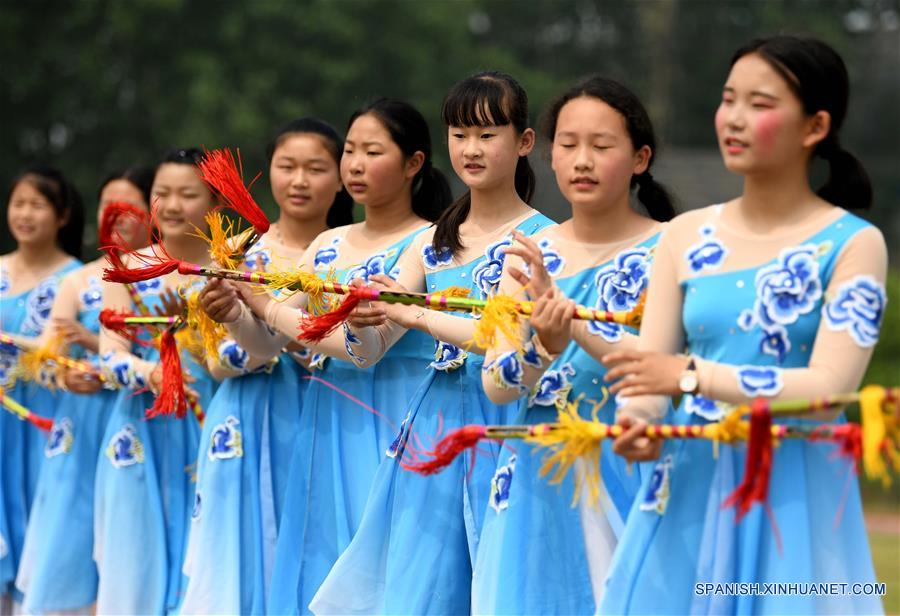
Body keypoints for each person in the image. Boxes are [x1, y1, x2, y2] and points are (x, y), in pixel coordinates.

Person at [600, 36, 887, 615]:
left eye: (759, 104)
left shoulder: (855, 244)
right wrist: (638, 424)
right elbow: (648, 378)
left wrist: (690, 377)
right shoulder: (684, 235)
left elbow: (829, 390)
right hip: (685, 487)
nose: (733, 118)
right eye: (729, 99)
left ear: (816, 126)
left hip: (792, 496)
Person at [309, 71, 555, 615]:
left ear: (524, 141)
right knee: (422, 586)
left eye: (487, 135)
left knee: (500, 583)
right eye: (459, 134)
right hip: (432, 429)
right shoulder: (431, 242)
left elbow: (500, 336)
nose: (471, 149)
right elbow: (368, 350)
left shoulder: (542, 241)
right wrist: (362, 316)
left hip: (506, 423)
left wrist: (413, 314)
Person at [201, 99, 452, 614]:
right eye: (351, 151)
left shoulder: (430, 242)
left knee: (386, 566)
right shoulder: (328, 243)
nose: (355, 165)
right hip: (330, 417)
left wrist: (264, 305)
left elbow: (362, 351)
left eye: (373, 152)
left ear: (413, 163)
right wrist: (233, 314)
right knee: (323, 556)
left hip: (399, 417)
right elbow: (266, 344)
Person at [473, 75, 675, 614]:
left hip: (630, 464)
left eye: (601, 146)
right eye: (568, 144)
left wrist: (573, 329)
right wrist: (542, 349)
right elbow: (496, 384)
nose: (582, 160)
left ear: (640, 158)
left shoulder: (671, 249)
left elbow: (669, 367)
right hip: (536, 477)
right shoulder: (525, 255)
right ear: (550, 155)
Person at [181, 118, 353, 615]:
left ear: (341, 177)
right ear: (269, 171)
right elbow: (218, 361)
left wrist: (280, 332)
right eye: (287, 166)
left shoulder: (350, 253)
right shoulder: (235, 252)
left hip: (329, 414)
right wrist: (273, 337)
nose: (299, 180)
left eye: (315, 168)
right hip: (247, 417)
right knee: (239, 554)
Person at [93, 148, 228, 614]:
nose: (171, 206)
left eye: (187, 194)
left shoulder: (231, 269)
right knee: (135, 560)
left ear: (216, 202)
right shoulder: (126, 269)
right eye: (161, 193)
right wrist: (149, 371)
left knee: (207, 556)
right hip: (142, 423)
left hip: (211, 418)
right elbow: (108, 357)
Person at [15, 167, 153, 614]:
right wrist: (65, 376)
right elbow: (49, 358)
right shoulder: (78, 281)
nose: (114, 215)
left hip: (140, 416)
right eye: (106, 204)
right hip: (82, 422)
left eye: (127, 205)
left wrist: (95, 344)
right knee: (70, 533)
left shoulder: (165, 276)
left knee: (130, 537)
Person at [0, 166, 84, 607]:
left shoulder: (77, 278)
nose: (25, 214)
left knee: (40, 520)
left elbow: (63, 349)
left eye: (37, 205)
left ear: (62, 215)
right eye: (18, 204)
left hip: (45, 418)